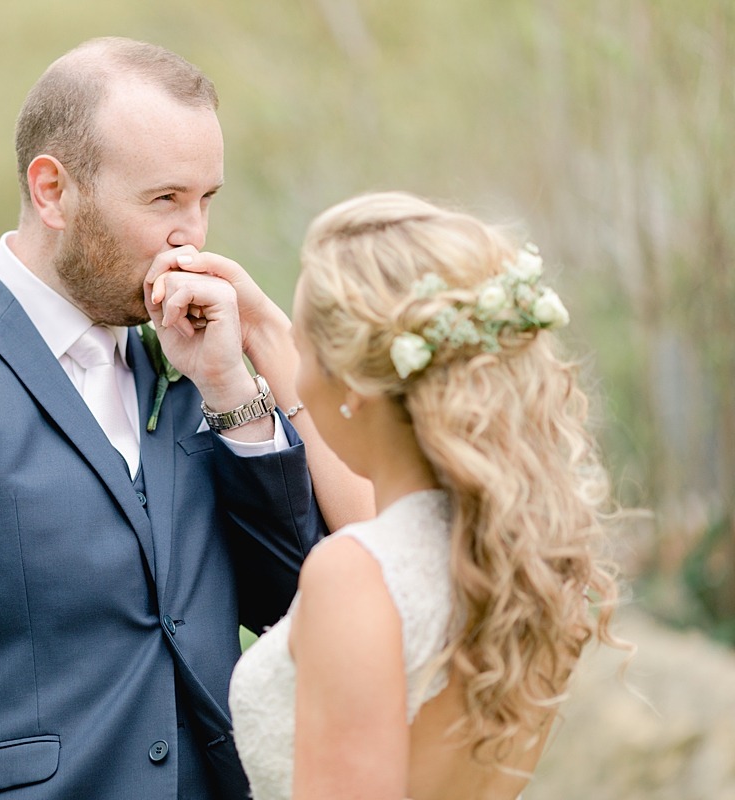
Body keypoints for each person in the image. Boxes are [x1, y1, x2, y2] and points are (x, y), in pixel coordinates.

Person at [0, 38, 369, 800]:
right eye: (164, 199)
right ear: (53, 191)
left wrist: (235, 388)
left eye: (206, 200)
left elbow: (297, 606)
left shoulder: (204, 371)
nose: (191, 234)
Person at [159, 192, 622, 799]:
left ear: (354, 383)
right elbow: (381, 528)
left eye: (309, 348)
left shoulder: (356, 578)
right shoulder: (528, 562)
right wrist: (267, 334)